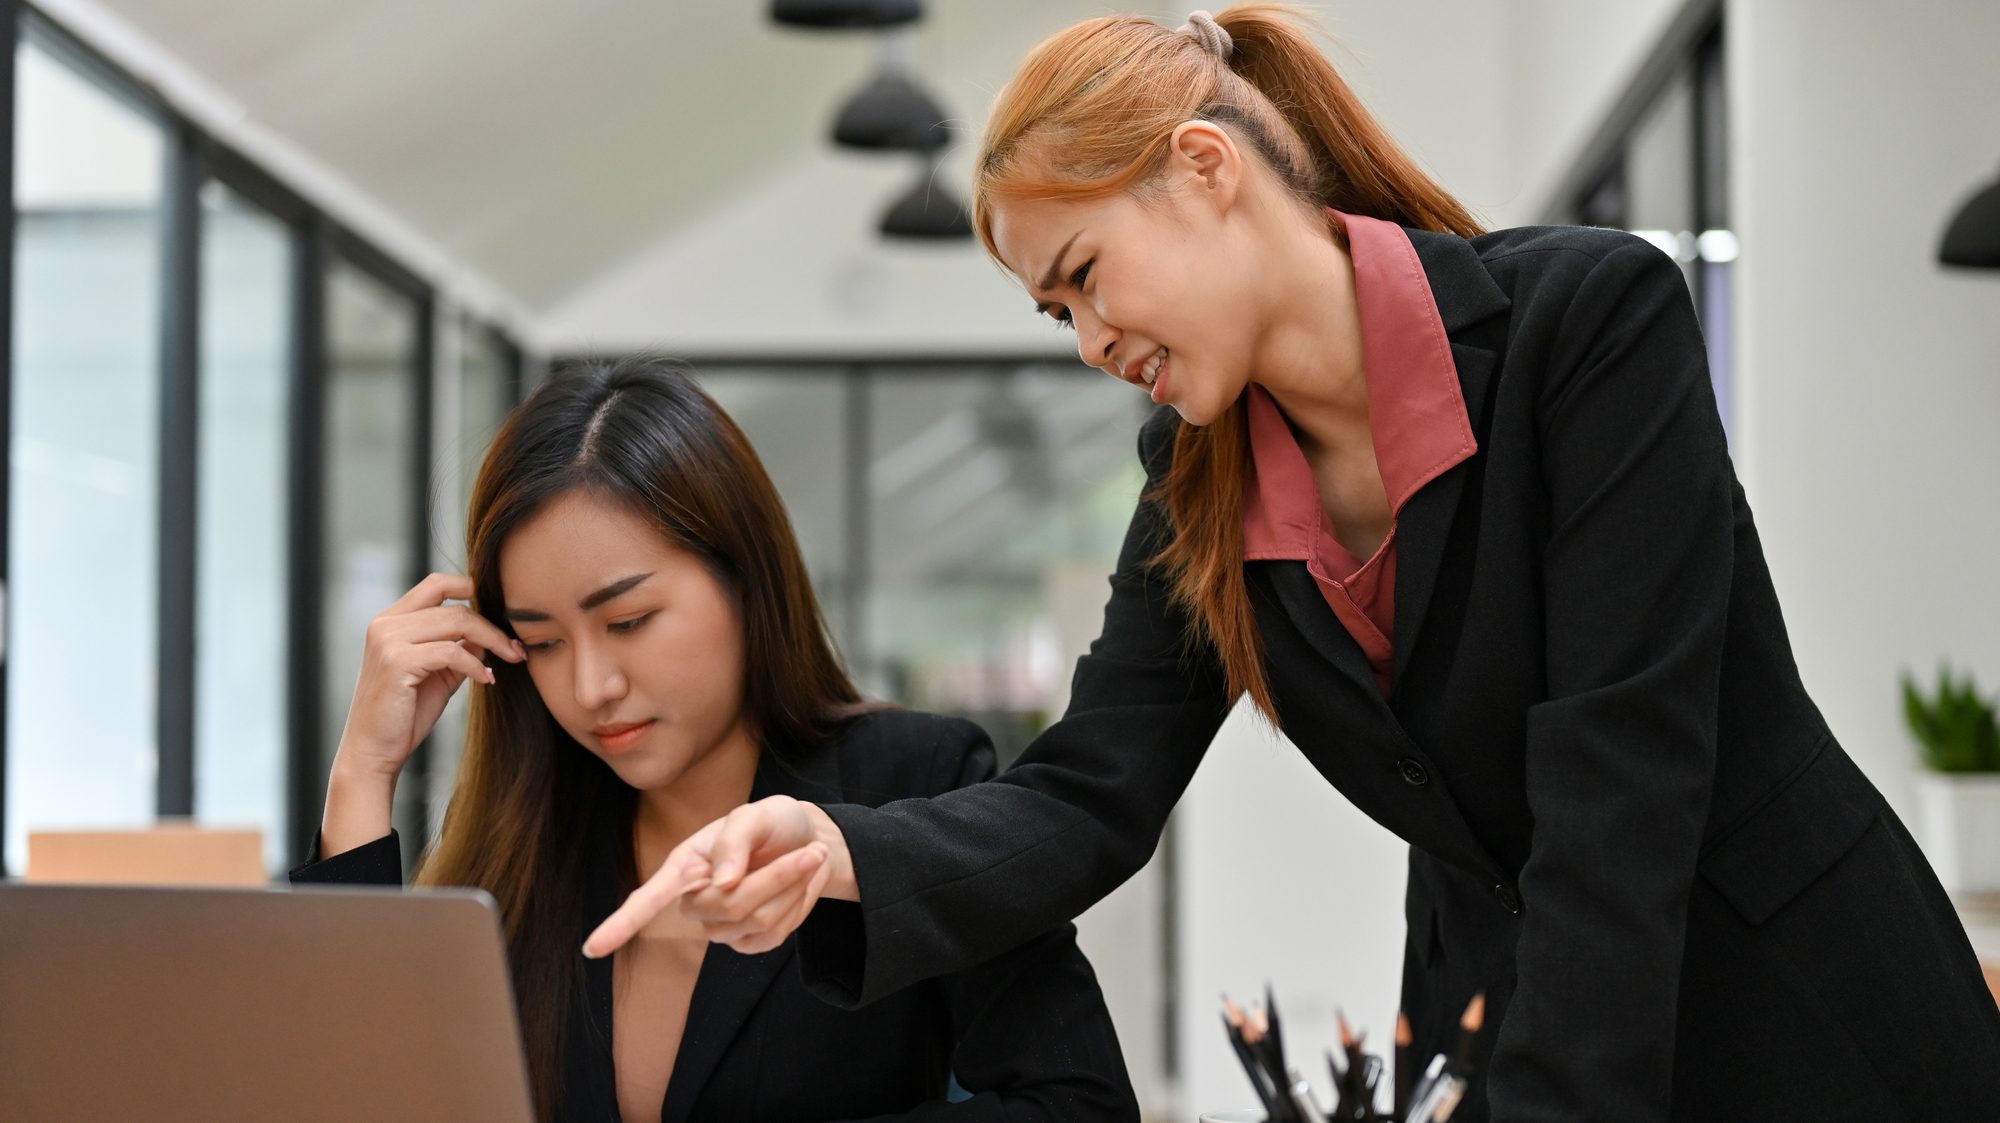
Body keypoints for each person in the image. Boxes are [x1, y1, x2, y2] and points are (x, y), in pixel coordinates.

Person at [584, 6, 2000, 1121]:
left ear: (1204, 168)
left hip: (1796, 1006)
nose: (1087, 343)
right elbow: (1089, 794)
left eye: (1083, 276)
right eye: (1051, 313)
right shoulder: (1196, 485)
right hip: (1513, 1022)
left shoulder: (1589, 325)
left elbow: (1618, 787)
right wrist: (840, 846)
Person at [291, 358, 1139, 1123]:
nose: (590, 688)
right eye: (541, 641)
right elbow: (350, 1093)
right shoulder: (522, 844)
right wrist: (362, 775)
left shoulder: (914, 779)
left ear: (745, 580)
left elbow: (1080, 1103)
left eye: (629, 620)